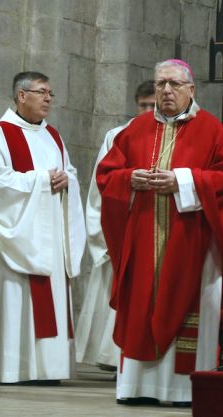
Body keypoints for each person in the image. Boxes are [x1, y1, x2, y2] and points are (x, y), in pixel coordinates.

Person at [96, 59, 223, 405]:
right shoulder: (134, 130)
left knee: (188, 308)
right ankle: (137, 388)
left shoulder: (213, 131)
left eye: (174, 84)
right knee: (141, 305)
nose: (166, 90)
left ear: (191, 90)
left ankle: (182, 390)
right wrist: (129, 179)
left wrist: (182, 180)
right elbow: (107, 174)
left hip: (193, 242)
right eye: (160, 83)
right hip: (144, 240)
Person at [0, 71, 86, 384]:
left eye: (50, 93)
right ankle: (14, 368)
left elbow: (70, 172)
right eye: (41, 92)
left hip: (51, 234)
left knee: (50, 299)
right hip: (19, 238)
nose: (48, 98)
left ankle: (48, 369)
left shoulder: (53, 135)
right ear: (21, 96)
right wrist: (41, 181)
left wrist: (69, 181)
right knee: (17, 299)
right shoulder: (3, 133)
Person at [75, 80, 155, 372]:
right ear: (136, 105)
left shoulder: (169, 136)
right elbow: (101, 183)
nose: (148, 110)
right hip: (119, 226)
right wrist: (100, 233)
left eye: (153, 105)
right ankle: (109, 357)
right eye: (143, 105)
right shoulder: (117, 135)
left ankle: (132, 354)